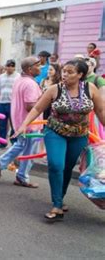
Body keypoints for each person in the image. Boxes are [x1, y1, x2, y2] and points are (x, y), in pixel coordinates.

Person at [13, 59, 105, 221]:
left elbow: (100, 110)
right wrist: (23, 125)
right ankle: (56, 205)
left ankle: (60, 198)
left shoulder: (90, 89)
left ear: (80, 75)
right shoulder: (54, 89)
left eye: (70, 72)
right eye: (64, 71)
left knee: (68, 167)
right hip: (55, 132)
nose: (65, 75)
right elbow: (37, 108)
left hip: (79, 135)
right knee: (56, 165)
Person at [0, 56, 43, 188]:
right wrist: (46, 102)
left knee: (21, 145)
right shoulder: (30, 84)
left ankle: (1, 163)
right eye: (38, 65)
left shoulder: (20, 80)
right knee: (29, 151)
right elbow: (30, 106)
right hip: (30, 123)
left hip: (21, 121)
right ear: (30, 69)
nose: (40, 67)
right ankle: (21, 177)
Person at [0, 59, 20, 149]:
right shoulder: (1, 77)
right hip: (2, 102)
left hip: (13, 103)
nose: (9, 68)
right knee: (2, 124)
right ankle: (2, 143)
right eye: (8, 66)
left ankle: (14, 141)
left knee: (14, 123)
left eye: (11, 66)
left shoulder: (18, 77)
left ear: (14, 67)